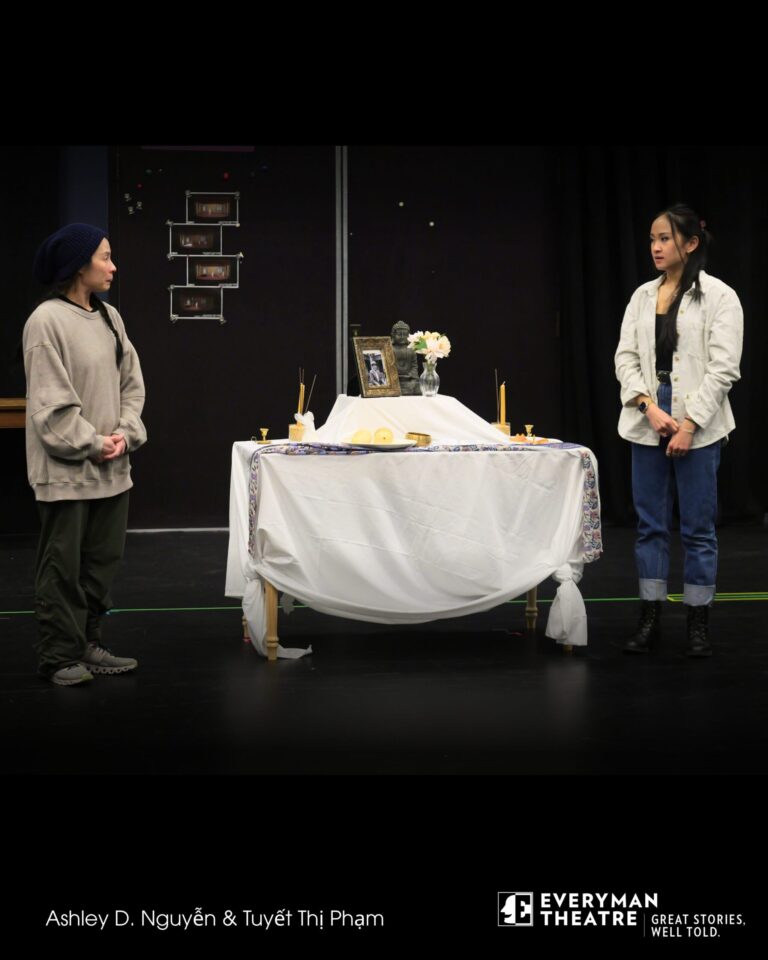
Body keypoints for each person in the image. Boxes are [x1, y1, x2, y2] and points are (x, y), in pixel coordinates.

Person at [615, 204, 743, 657]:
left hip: (698, 421)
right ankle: (649, 617)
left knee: (698, 529)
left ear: (690, 243)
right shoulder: (641, 296)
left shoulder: (720, 296)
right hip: (649, 416)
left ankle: (697, 621)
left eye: (665, 238)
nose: (656, 246)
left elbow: (724, 368)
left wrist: (690, 424)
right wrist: (648, 406)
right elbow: (625, 358)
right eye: (653, 238)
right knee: (650, 527)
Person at [23, 223, 147, 685]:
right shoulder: (46, 321)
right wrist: (93, 444)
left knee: (100, 565)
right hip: (67, 472)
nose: (113, 266)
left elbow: (132, 384)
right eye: (104, 257)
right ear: (79, 266)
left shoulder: (111, 318)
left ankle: (87, 644)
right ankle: (59, 656)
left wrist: (125, 434)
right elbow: (50, 405)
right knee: (63, 568)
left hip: (113, 467)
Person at [390, 321, 420, 395]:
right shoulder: (389, 349)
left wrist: (413, 380)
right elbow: (388, 367)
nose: (402, 337)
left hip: (409, 379)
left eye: (405, 334)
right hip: (394, 380)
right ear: (393, 335)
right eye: (399, 334)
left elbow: (414, 366)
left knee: (418, 387)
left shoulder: (411, 349)